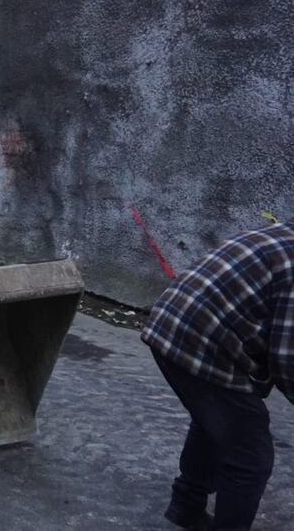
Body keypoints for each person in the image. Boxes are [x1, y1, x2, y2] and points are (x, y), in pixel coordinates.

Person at [142, 220, 293, 530]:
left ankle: (186, 505)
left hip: (171, 321)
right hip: (200, 338)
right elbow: (286, 356)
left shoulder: (278, 236)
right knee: (251, 457)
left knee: (216, 419)